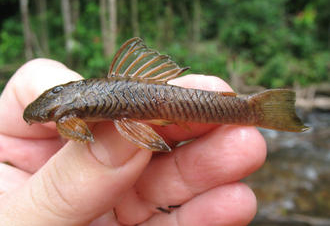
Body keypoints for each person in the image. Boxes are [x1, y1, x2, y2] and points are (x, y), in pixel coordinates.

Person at [0, 58, 266, 226]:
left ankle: (253, 110)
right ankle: (250, 110)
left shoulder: (67, 109)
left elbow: (79, 132)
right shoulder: (67, 105)